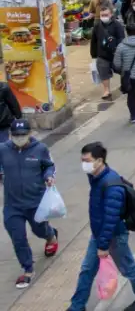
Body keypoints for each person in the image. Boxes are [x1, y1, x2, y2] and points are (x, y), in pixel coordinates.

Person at [69, 142, 135, 311]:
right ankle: (77, 306)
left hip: (114, 236)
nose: (84, 164)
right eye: (82, 160)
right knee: (87, 270)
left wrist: (103, 246)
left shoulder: (112, 186)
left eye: (87, 160)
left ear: (99, 161)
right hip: (99, 234)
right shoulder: (96, 176)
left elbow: (110, 218)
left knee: (128, 269)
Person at [0, 120, 58, 288]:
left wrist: (48, 176)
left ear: (30, 133)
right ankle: (27, 269)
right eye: (16, 135)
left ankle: (50, 235)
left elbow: (49, 166)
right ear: (10, 135)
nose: (20, 138)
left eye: (23, 135)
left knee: (39, 230)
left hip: (35, 203)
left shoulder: (40, 149)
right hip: (13, 205)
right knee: (18, 238)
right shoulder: (3, 150)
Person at [90, 5, 126, 101]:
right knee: (103, 72)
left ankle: (125, 85)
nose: (104, 17)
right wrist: (93, 55)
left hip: (116, 54)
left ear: (111, 14)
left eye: (106, 15)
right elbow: (93, 41)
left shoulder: (117, 25)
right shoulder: (97, 26)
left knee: (122, 69)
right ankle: (106, 90)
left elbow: (121, 38)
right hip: (102, 54)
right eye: (102, 15)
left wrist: (119, 51)